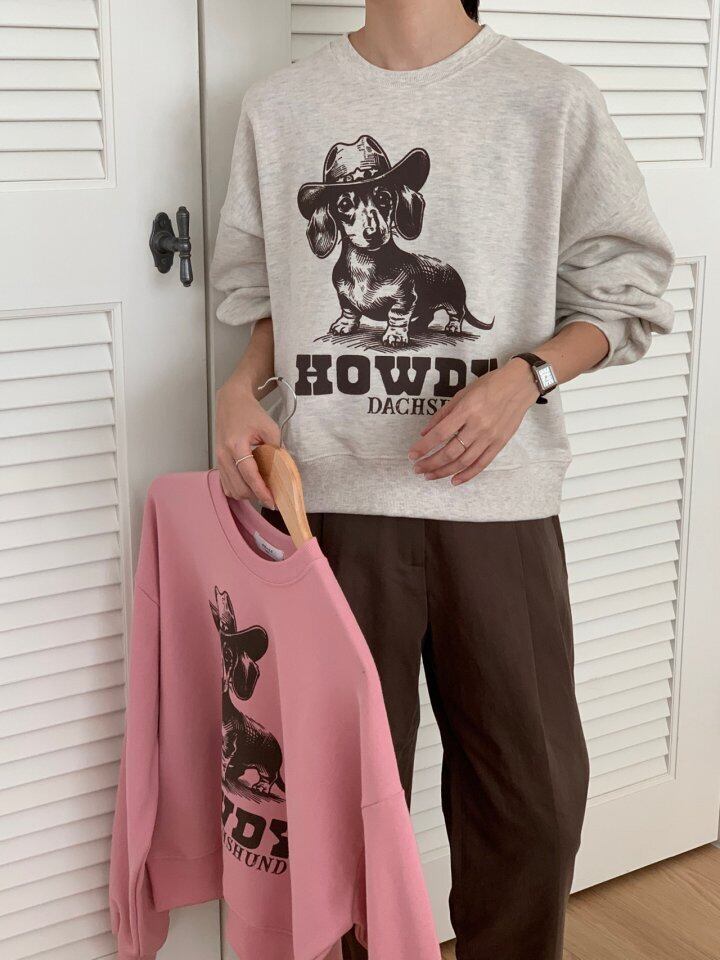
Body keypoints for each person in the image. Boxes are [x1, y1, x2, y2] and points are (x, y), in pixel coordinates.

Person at [209, 1, 675, 957]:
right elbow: (267, 296)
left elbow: (625, 292)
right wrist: (238, 388)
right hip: (326, 513)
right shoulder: (279, 107)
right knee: (331, 807)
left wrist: (526, 377)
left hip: (497, 507)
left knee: (531, 806)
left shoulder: (548, 100)